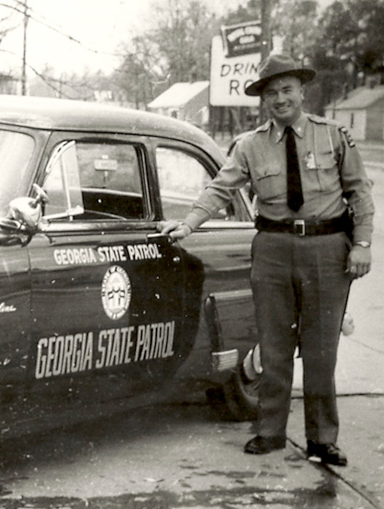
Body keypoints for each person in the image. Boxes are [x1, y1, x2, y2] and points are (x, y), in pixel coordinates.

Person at [159, 54, 374, 467]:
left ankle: (322, 440)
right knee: (273, 349)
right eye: (271, 92)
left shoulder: (333, 137)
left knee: (321, 351)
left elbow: (359, 193)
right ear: (263, 100)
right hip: (273, 249)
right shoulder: (250, 145)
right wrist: (188, 224)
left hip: (327, 250)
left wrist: (362, 244)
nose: (280, 99)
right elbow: (220, 189)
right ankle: (270, 431)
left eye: (287, 90)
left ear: (302, 92)